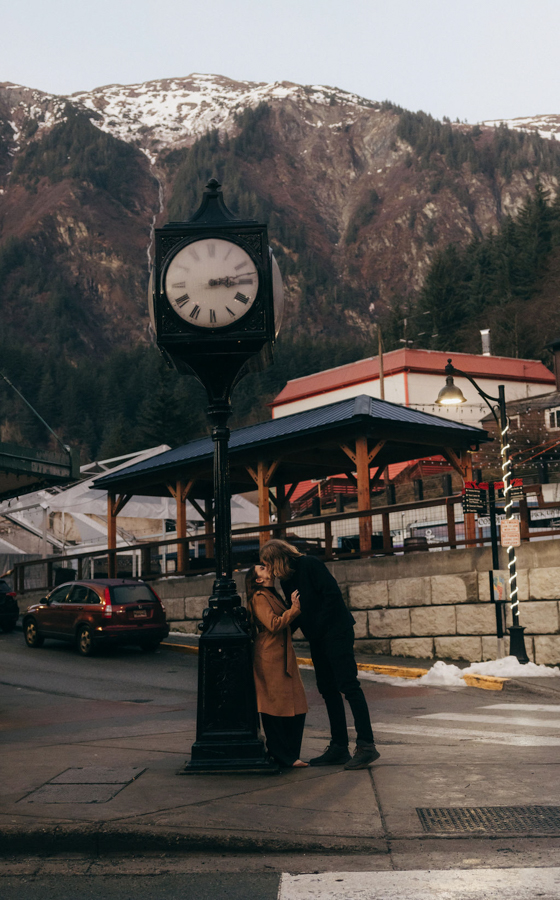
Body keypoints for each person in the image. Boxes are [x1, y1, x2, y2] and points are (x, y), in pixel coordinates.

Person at [260, 539, 379, 770]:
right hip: (318, 638)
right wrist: (280, 636)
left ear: (277, 558)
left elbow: (332, 597)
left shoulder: (310, 564)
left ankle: (367, 745)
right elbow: (298, 611)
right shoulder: (287, 579)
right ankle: (339, 747)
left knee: (349, 686)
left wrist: (319, 629)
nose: (269, 570)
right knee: (327, 689)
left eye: (268, 564)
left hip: (336, 632)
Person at [245, 563, 309, 768]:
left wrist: (293, 610)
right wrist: (294, 610)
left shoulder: (273, 594)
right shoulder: (259, 597)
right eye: (262, 568)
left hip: (283, 654)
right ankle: (283, 755)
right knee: (273, 706)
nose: (267, 568)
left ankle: (290, 753)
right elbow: (273, 624)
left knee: (297, 705)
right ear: (258, 580)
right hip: (269, 655)